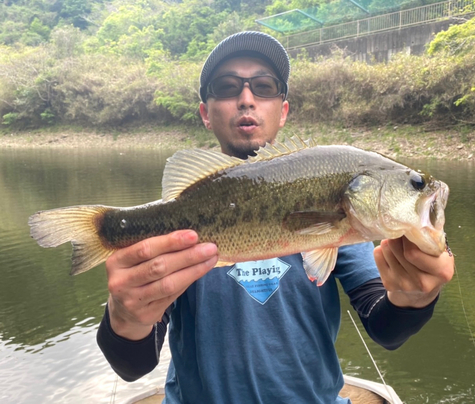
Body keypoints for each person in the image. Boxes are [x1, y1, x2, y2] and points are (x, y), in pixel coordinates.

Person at [97, 31, 454, 403]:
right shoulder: (179, 223)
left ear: (283, 111)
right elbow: (133, 365)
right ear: (206, 113)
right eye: (227, 86)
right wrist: (126, 319)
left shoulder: (347, 225)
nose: (247, 99)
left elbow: (385, 329)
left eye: (264, 86)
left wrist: (413, 299)